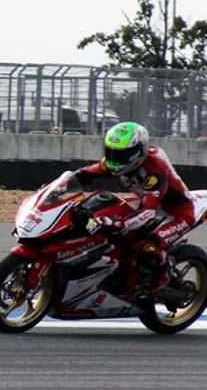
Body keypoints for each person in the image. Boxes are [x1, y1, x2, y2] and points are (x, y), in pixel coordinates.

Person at [72, 121, 194, 307]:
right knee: (103, 216)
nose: (114, 159)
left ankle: (158, 284)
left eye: (120, 154)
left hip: (175, 213)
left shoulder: (155, 172)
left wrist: (120, 224)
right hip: (146, 202)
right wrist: (59, 186)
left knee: (146, 245)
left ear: (137, 153)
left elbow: (147, 213)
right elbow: (84, 175)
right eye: (110, 152)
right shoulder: (118, 163)